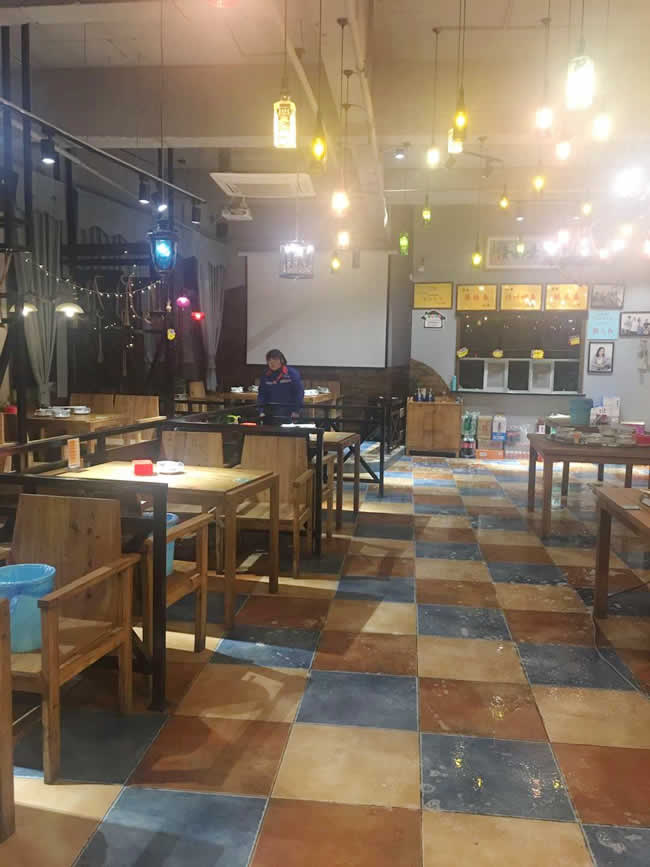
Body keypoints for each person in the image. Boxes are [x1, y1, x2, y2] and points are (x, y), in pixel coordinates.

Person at [257, 349, 304, 424]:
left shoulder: (292, 373)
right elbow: (261, 394)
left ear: (282, 361)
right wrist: (261, 411)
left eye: (275, 360)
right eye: (269, 360)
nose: (272, 363)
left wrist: (296, 411)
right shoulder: (265, 375)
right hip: (269, 413)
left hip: (288, 412)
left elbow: (299, 393)